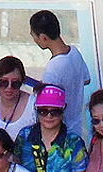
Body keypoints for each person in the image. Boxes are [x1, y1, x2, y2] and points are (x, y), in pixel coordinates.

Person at [27, 10, 92, 140]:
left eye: (34, 36)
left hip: (61, 134)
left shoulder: (53, 69)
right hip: (78, 127)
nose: (34, 40)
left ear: (44, 37)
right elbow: (86, 80)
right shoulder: (74, 52)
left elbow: (47, 107)